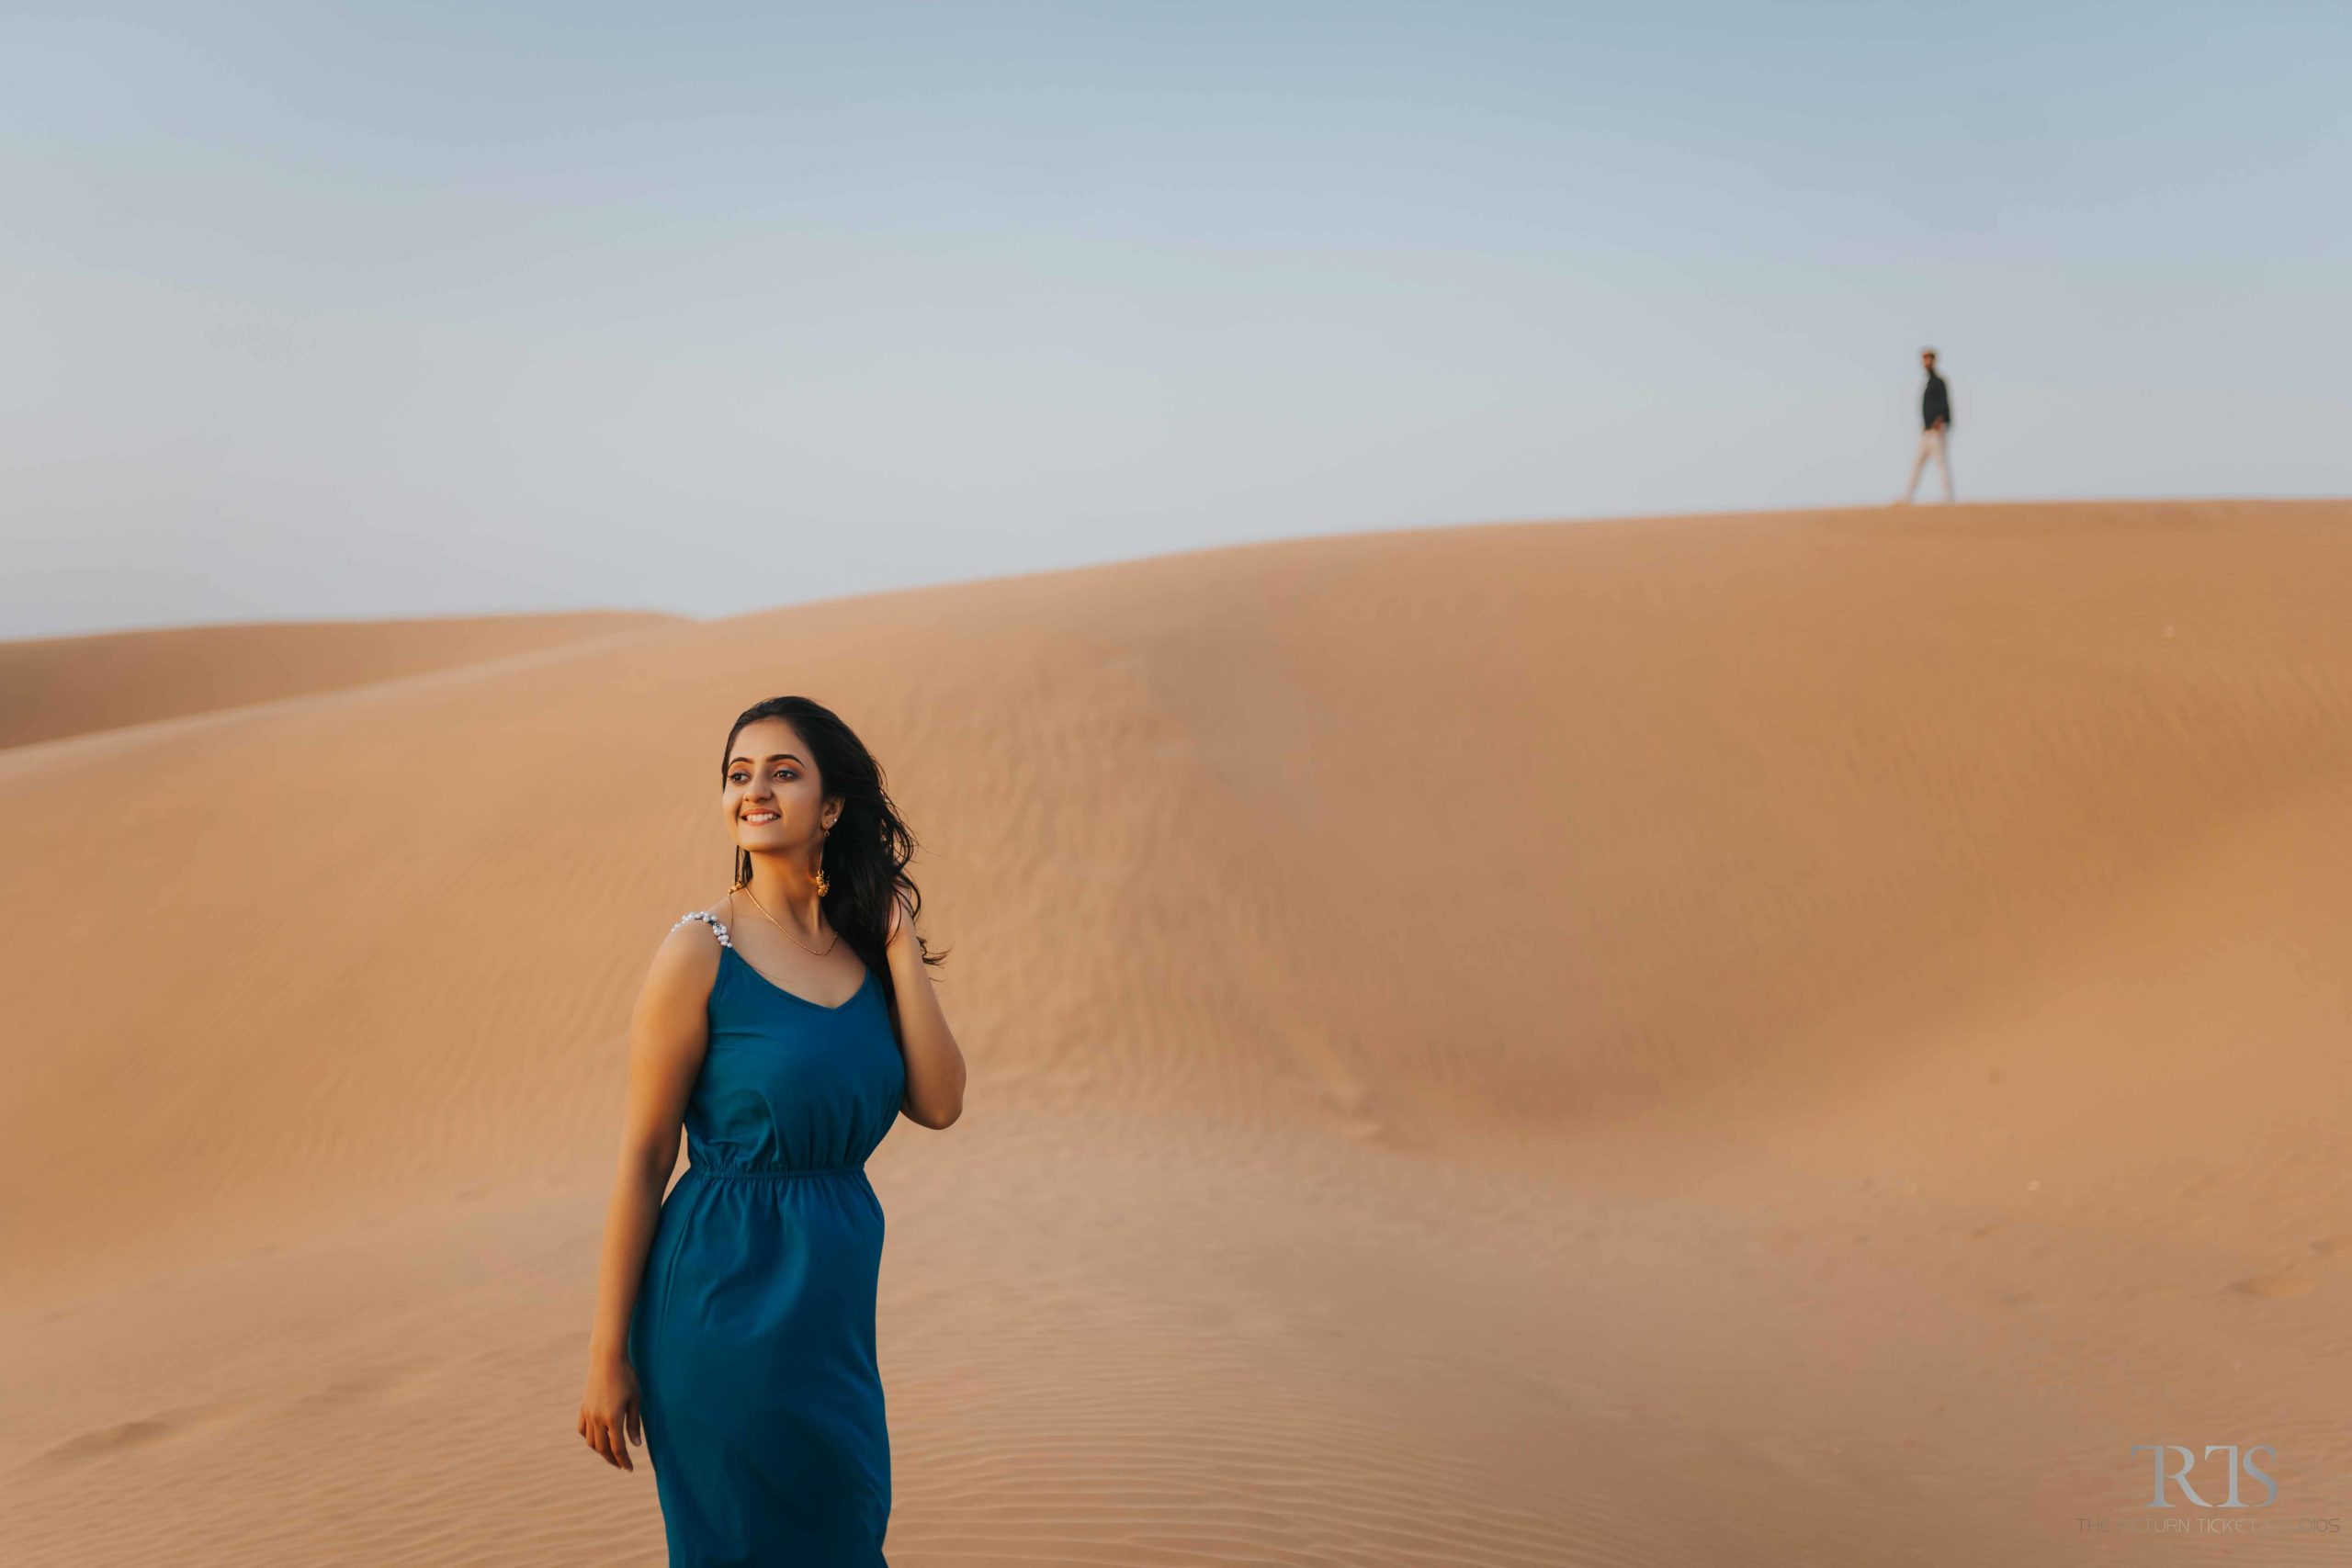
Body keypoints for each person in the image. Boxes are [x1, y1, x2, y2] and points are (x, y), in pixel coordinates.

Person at [577, 694, 967, 1565]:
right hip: (717, 1303)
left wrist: (901, 941)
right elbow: (644, 1157)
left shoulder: (868, 956)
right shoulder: (699, 949)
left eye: (782, 772)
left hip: (829, 1322)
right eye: (738, 774)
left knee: (848, 1530)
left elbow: (939, 1101)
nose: (754, 789)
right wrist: (607, 1351)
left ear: (831, 807)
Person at [1896, 346, 1955, 504]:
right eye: (1924, 359)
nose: (1926, 362)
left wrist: (1941, 422)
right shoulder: (1928, 382)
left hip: (1936, 432)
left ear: (1934, 360)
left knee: (1941, 463)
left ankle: (1948, 498)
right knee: (1917, 464)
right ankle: (1907, 497)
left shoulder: (1939, 382)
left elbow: (1945, 403)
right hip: (1926, 432)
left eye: (1929, 358)